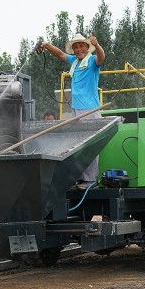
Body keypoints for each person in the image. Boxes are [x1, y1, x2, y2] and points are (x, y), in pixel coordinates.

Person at [39, 33, 105, 190]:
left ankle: (90, 180)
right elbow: (60, 54)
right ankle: (81, 178)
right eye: (75, 47)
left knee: (91, 144)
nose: (78, 49)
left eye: (81, 46)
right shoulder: (74, 62)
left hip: (90, 109)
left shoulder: (91, 60)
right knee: (79, 145)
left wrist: (98, 45)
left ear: (87, 47)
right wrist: (47, 45)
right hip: (77, 109)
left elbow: (101, 57)